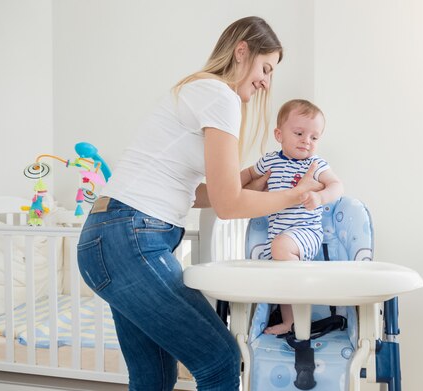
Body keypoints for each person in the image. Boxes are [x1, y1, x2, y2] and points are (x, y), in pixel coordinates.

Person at [77, 17, 323, 391]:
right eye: (265, 68)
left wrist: (253, 184)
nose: (266, 82)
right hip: (129, 237)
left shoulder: (198, 90)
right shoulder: (219, 94)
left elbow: (200, 194)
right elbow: (228, 205)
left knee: (154, 377)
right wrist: (295, 193)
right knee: (220, 359)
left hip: (113, 235)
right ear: (242, 51)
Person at [240, 99, 344, 335]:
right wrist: (227, 187)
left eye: (314, 137)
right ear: (279, 134)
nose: (306, 141)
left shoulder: (315, 164)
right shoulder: (270, 161)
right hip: (277, 236)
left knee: (282, 249)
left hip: (306, 233)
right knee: (278, 273)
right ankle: (290, 321)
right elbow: (246, 175)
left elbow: (337, 186)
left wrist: (320, 198)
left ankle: (303, 312)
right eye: (299, 133)